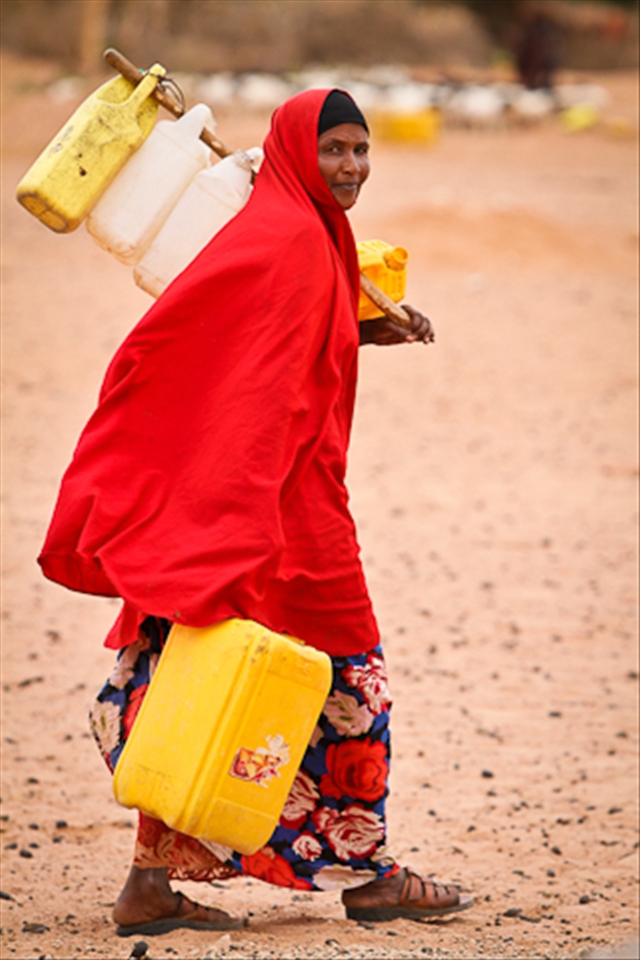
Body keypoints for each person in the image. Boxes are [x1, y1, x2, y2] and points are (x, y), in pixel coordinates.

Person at [38, 88, 474, 936]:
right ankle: (370, 873)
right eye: (334, 151)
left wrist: (363, 331)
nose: (350, 169)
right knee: (350, 681)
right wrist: (240, 520)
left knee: (196, 693)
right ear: (296, 152)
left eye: (360, 150)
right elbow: (216, 371)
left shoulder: (305, 231)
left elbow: (280, 353)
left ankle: (149, 888)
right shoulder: (285, 241)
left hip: (259, 505)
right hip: (268, 513)